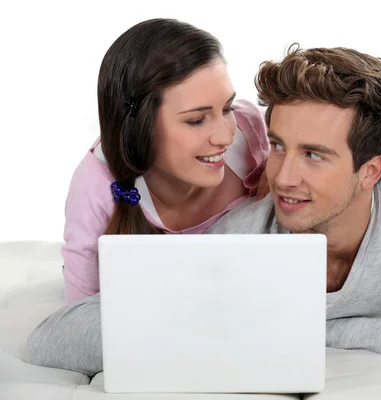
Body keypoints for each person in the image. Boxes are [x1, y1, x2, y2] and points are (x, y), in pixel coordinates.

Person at [25, 45, 381, 376]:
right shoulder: (243, 232)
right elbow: (51, 341)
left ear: (372, 170)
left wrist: (302, 328)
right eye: (277, 146)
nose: (281, 178)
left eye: (314, 154)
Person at [61, 18, 269, 305]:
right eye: (196, 120)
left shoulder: (249, 133)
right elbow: (76, 318)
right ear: (140, 126)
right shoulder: (96, 189)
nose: (224, 137)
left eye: (226, 108)